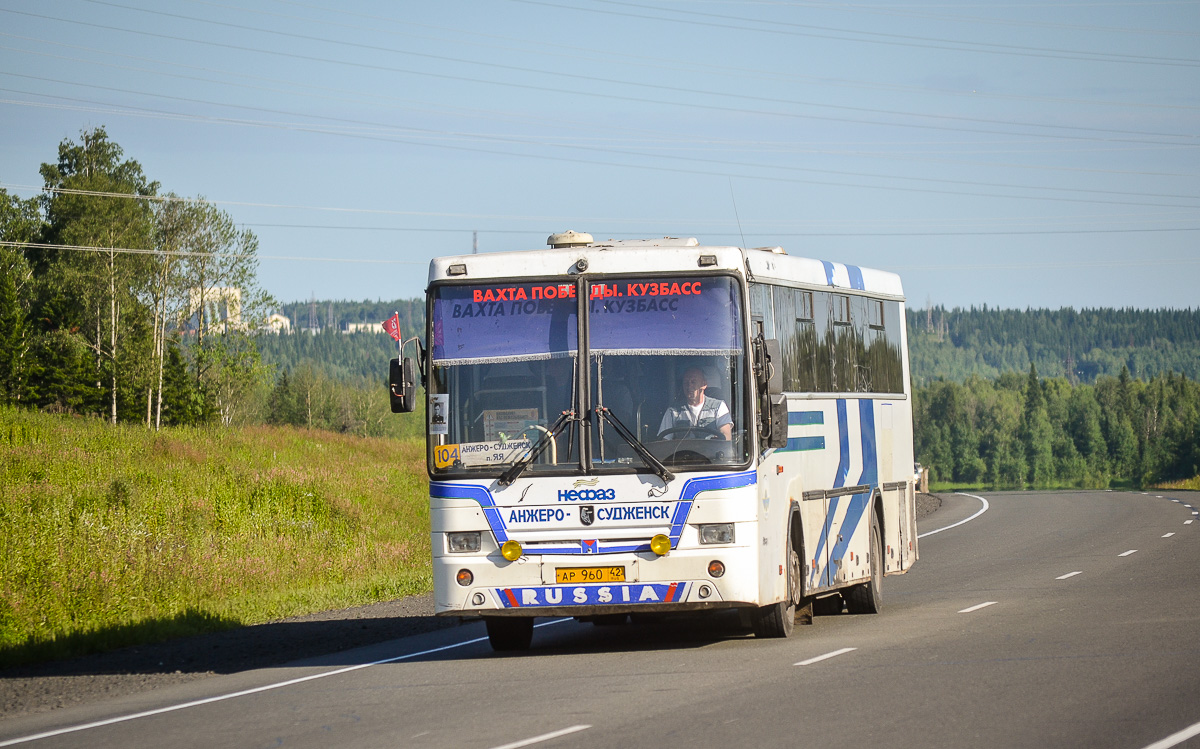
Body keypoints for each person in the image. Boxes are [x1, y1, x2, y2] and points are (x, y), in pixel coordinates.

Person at [657, 367, 732, 440]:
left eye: (693, 382)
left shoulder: (719, 407)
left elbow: (726, 437)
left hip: (709, 452)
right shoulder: (673, 411)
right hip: (682, 452)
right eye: (686, 382)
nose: (689, 386)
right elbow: (664, 442)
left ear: (704, 384)